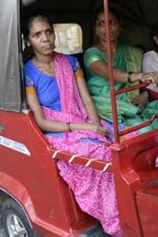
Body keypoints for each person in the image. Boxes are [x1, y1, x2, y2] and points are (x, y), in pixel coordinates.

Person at [23, 14, 120, 235]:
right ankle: (113, 217)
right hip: (58, 133)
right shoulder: (29, 72)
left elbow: (85, 98)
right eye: (37, 35)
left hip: (83, 121)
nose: (46, 38)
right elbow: (41, 121)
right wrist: (83, 129)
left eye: (48, 32)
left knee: (121, 139)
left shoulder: (69, 61)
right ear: (29, 41)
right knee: (101, 154)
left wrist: (95, 125)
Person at [83, 8, 158, 134]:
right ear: (96, 30)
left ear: (120, 26)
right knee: (145, 130)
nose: (107, 28)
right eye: (101, 24)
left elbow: (142, 86)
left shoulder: (132, 52)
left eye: (112, 22)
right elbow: (109, 73)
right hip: (107, 106)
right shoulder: (91, 54)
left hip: (133, 103)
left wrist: (144, 94)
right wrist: (140, 76)